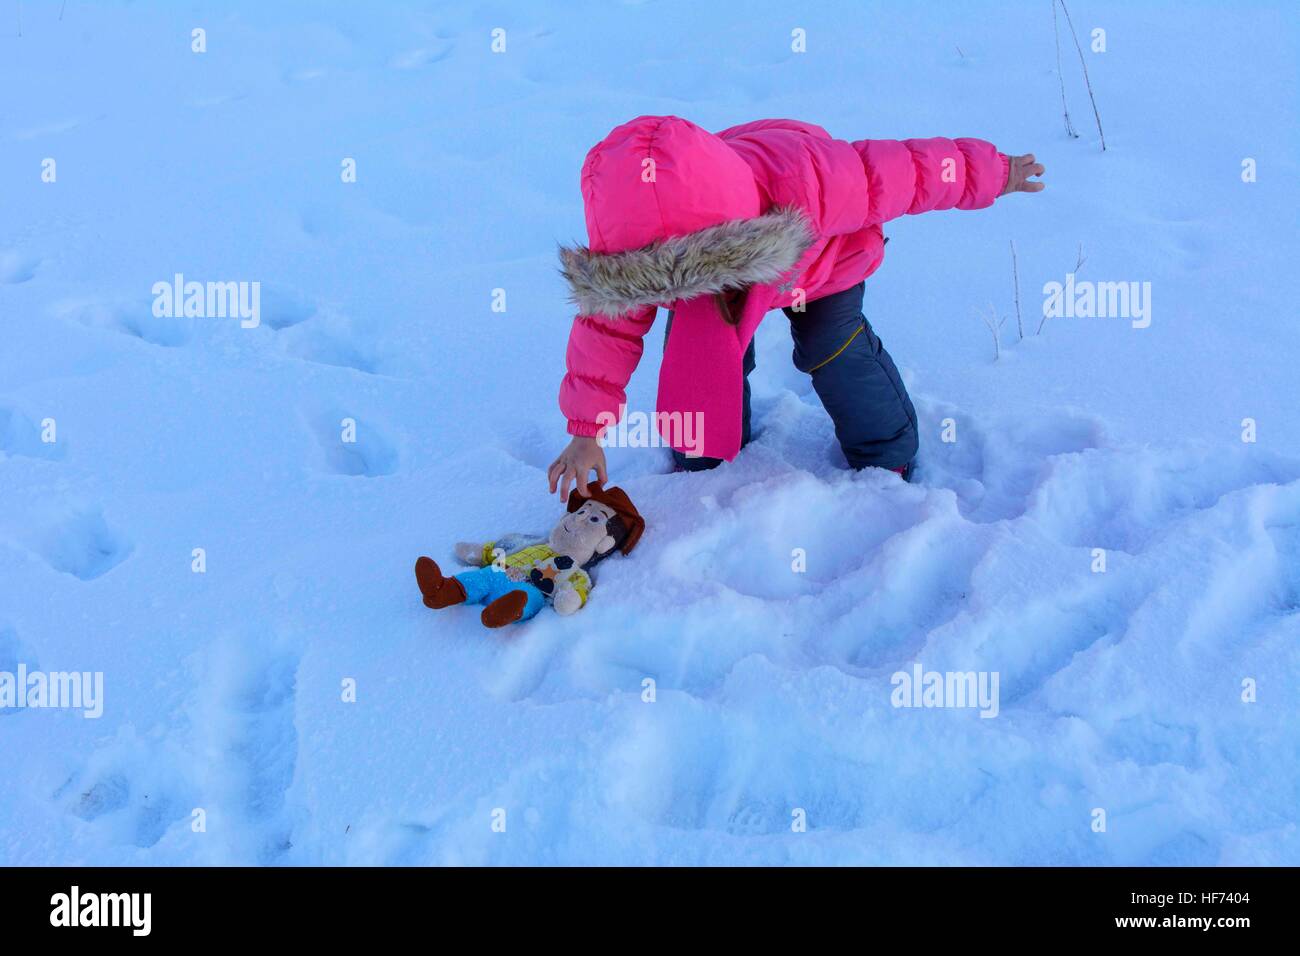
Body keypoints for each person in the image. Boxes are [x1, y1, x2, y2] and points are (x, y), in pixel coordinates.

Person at [547, 116, 1044, 499]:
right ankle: (702, 453)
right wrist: (586, 431)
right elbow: (605, 335)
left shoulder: (813, 178)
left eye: (707, 273)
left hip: (823, 259)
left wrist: (997, 172)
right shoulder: (641, 258)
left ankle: (886, 450)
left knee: (832, 345)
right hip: (707, 232)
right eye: (669, 283)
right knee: (701, 344)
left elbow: (912, 171)